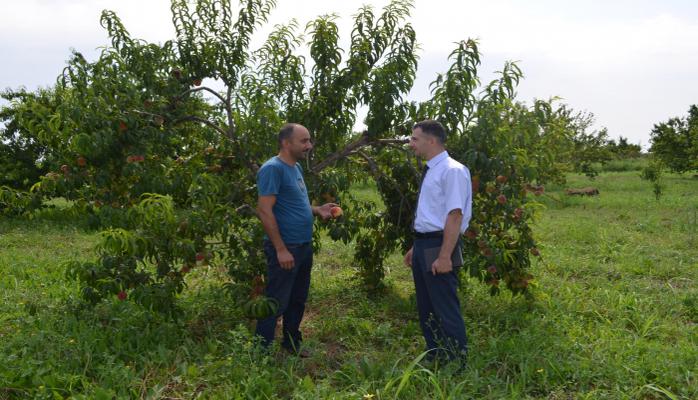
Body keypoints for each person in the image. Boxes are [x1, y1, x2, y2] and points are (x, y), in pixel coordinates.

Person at [255, 123, 336, 356]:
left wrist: (317, 209)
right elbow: (264, 210)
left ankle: (291, 343)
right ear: (286, 143)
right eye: (303, 141)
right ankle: (261, 350)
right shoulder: (273, 169)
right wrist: (280, 249)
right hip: (286, 246)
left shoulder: (296, 167)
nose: (309, 145)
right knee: (276, 300)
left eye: (309, 140)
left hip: (303, 245)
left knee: (298, 298)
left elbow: (295, 203)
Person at [403, 119, 472, 365]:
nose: (411, 144)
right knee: (427, 306)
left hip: (440, 244)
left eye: (414, 139)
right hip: (425, 244)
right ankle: (435, 354)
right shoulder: (433, 169)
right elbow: (432, 212)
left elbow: (454, 215)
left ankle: (456, 360)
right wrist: (416, 246)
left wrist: (444, 257)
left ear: (431, 141)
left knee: (444, 305)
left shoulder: (452, 170)